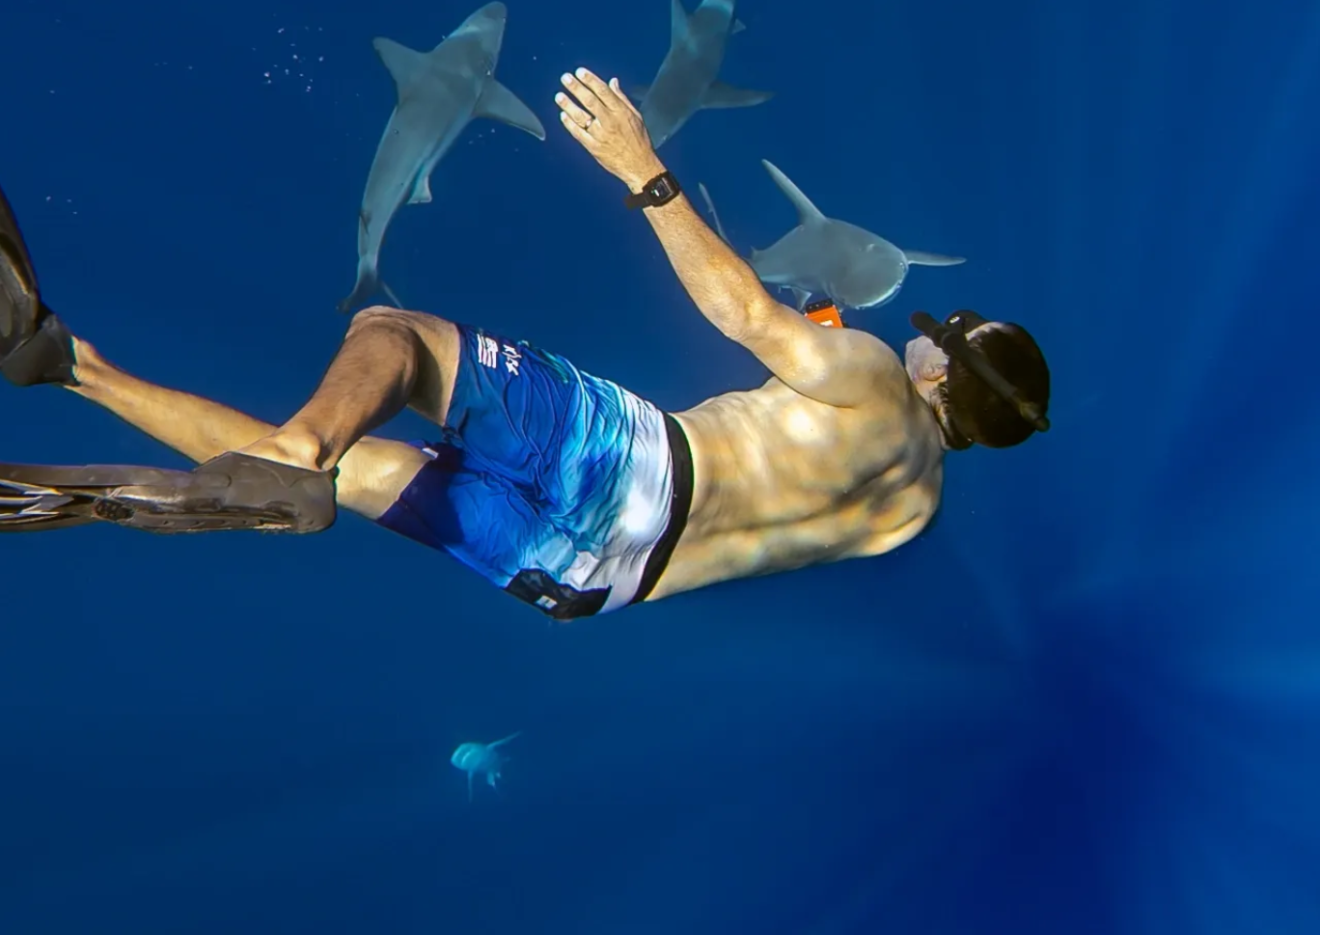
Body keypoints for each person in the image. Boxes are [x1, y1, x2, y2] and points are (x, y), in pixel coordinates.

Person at [0, 70, 1050, 618]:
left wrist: (643, 168)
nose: (918, 345)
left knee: (393, 336)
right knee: (367, 474)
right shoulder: (911, 513)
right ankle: (72, 366)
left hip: (631, 464)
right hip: (593, 579)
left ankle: (291, 452)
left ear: (943, 372)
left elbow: (741, 315)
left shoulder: (874, 376)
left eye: (936, 343)